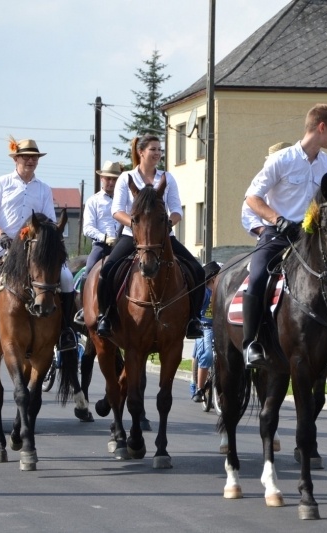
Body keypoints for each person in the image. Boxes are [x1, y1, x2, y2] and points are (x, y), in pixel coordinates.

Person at [242, 104, 327, 369]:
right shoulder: (281, 160)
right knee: (258, 276)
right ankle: (251, 344)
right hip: (279, 233)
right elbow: (252, 198)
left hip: (313, 238)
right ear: (321, 127)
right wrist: (278, 220)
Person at [0, 138, 77, 354]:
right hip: (3, 243)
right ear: (16, 158)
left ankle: (66, 330)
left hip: (34, 247)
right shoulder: (1, 183)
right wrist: (0, 234)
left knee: (66, 278)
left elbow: (49, 221)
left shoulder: (44, 189)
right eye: (26, 156)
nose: (30, 160)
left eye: (34, 157)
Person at [95, 135, 205, 340]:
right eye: (153, 149)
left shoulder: (167, 178)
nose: (157, 153)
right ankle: (105, 316)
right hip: (132, 236)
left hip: (163, 237)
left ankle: (194, 319)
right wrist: (137, 226)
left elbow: (176, 210)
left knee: (197, 271)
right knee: (107, 271)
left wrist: (168, 223)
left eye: (159, 150)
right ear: (141, 152)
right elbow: (117, 211)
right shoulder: (126, 177)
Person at [74, 160, 123, 326]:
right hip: (102, 245)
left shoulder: (125, 201)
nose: (111, 182)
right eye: (108, 178)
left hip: (123, 244)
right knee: (89, 270)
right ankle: (84, 308)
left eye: (114, 179)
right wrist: (105, 237)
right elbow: (87, 228)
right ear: (102, 179)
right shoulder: (93, 201)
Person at [191, 261, 221, 403]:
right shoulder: (203, 292)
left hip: (219, 327)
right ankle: (199, 388)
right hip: (205, 327)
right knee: (207, 354)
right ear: (213, 277)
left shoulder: (221, 291)